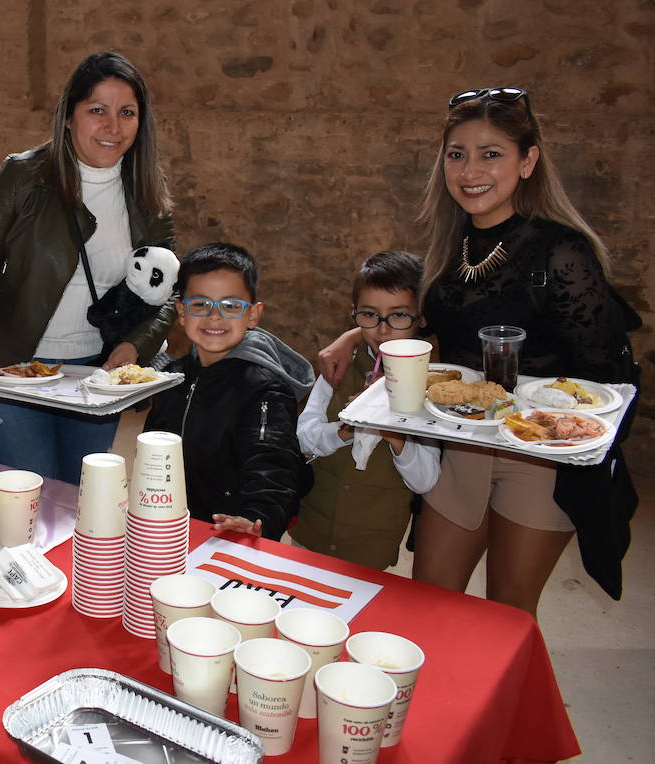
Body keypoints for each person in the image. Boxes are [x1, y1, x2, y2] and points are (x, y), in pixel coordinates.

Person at [318, 87, 640, 611]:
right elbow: (409, 315)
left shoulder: (561, 252)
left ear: (528, 160)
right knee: (430, 602)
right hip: (460, 444)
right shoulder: (451, 245)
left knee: (506, 614)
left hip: (538, 457)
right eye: (456, 154)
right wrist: (355, 334)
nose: (471, 171)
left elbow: (605, 378)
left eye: (491, 154)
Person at [0, 51, 175, 484]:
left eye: (127, 112)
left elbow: (167, 291)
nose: (113, 126)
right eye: (97, 110)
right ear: (69, 116)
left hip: (97, 375)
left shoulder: (147, 190)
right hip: (17, 372)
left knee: (79, 500)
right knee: (28, 498)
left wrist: (134, 347)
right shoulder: (22, 176)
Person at [143, 243, 313, 539]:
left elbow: (273, 467)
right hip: (169, 527)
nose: (214, 317)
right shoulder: (170, 378)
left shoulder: (265, 391)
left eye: (231, 306)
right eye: (200, 304)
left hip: (230, 533)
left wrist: (257, 519)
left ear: (253, 315)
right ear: (181, 312)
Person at [295, 251, 441, 569]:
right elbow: (304, 439)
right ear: (354, 313)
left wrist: (394, 434)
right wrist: (345, 429)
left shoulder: (431, 386)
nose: (383, 330)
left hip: (371, 546)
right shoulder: (339, 367)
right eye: (370, 315)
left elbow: (425, 480)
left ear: (421, 318)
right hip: (309, 532)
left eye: (399, 316)